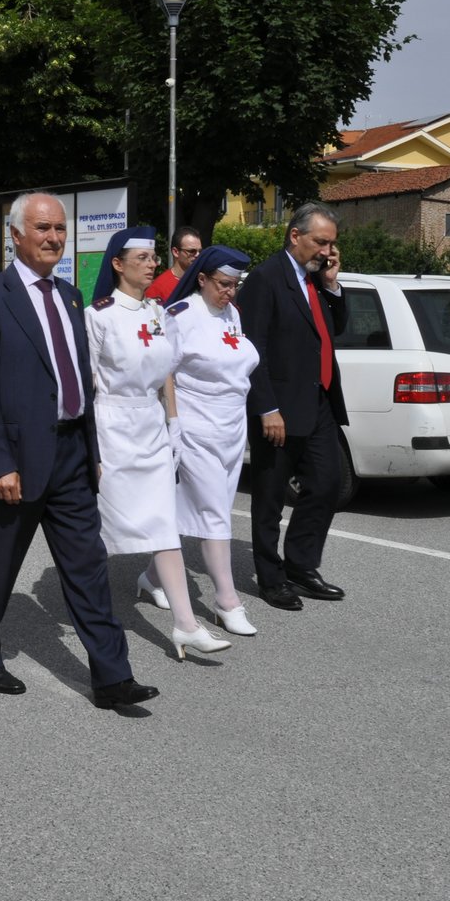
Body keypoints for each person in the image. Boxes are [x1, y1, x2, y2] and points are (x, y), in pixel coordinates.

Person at [0, 192, 159, 710]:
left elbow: (79, 382)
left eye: (59, 229)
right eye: (42, 228)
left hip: (69, 455)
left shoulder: (70, 296)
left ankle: (112, 677)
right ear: (16, 235)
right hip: (16, 460)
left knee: (88, 567)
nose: (53, 238)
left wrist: (90, 450)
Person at [86, 226, 233, 659]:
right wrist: (92, 445)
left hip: (150, 425)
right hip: (113, 424)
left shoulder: (156, 311)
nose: (153, 265)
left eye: (154, 258)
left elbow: (166, 369)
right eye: (143, 258)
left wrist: (173, 422)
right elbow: (88, 383)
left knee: (163, 523)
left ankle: (186, 625)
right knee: (101, 526)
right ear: (118, 264)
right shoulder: (100, 314)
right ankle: (89, 610)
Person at [238, 201, 349, 611]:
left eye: (332, 244)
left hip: (318, 401)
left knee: (326, 483)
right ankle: (271, 579)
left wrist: (334, 284)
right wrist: (266, 407)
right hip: (279, 408)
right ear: (295, 236)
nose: (327, 251)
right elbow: (254, 349)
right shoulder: (267, 280)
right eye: (320, 242)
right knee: (269, 497)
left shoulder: (316, 280)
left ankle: (301, 566)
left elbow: (334, 329)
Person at [163, 244, 263, 637]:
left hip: (231, 425)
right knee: (214, 513)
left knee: (212, 505)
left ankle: (153, 577)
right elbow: (164, 372)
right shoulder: (180, 315)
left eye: (235, 285)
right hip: (196, 425)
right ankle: (226, 601)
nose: (229, 292)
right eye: (223, 284)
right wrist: (173, 423)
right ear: (201, 278)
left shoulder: (232, 314)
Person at [144, 226, 204, 302]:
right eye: (192, 251)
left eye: (200, 251)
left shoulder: (203, 282)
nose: (197, 255)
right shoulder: (158, 288)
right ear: (176, 252)